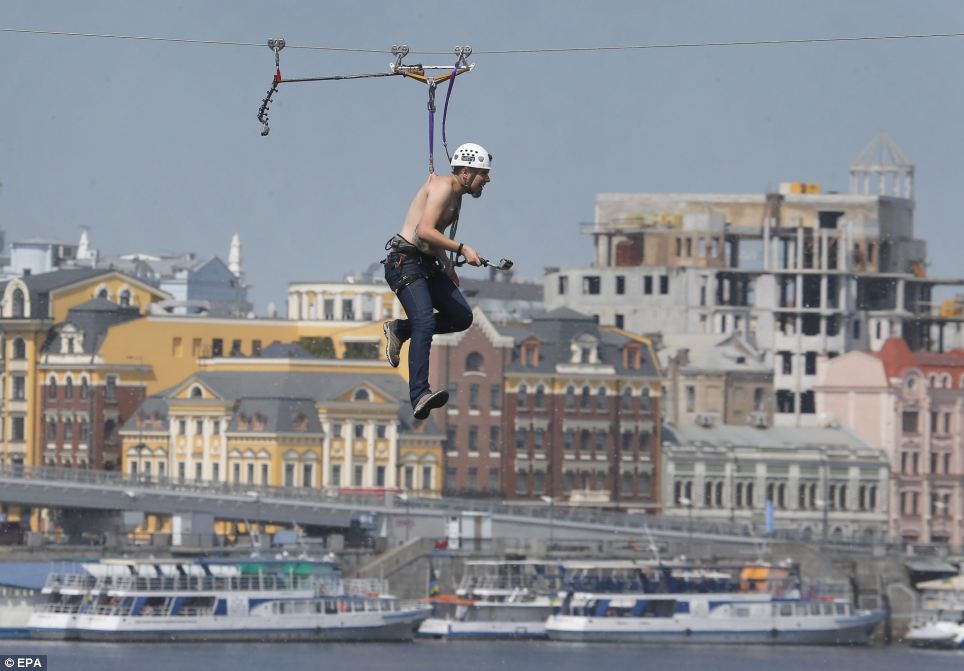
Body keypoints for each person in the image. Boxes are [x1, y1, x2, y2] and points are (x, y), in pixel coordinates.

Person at [382, 142, 492, 419]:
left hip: (426, 264)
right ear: (466, 172)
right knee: (426, 322)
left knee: (462, 317)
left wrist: (447, 266)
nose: (487, 180)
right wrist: (462, 248)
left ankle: (400, 330)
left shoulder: (454, 193)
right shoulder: (444, 188)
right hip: (404, 264)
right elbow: (425, 231)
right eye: (483, 174)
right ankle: (420, 394)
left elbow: (432, 238)